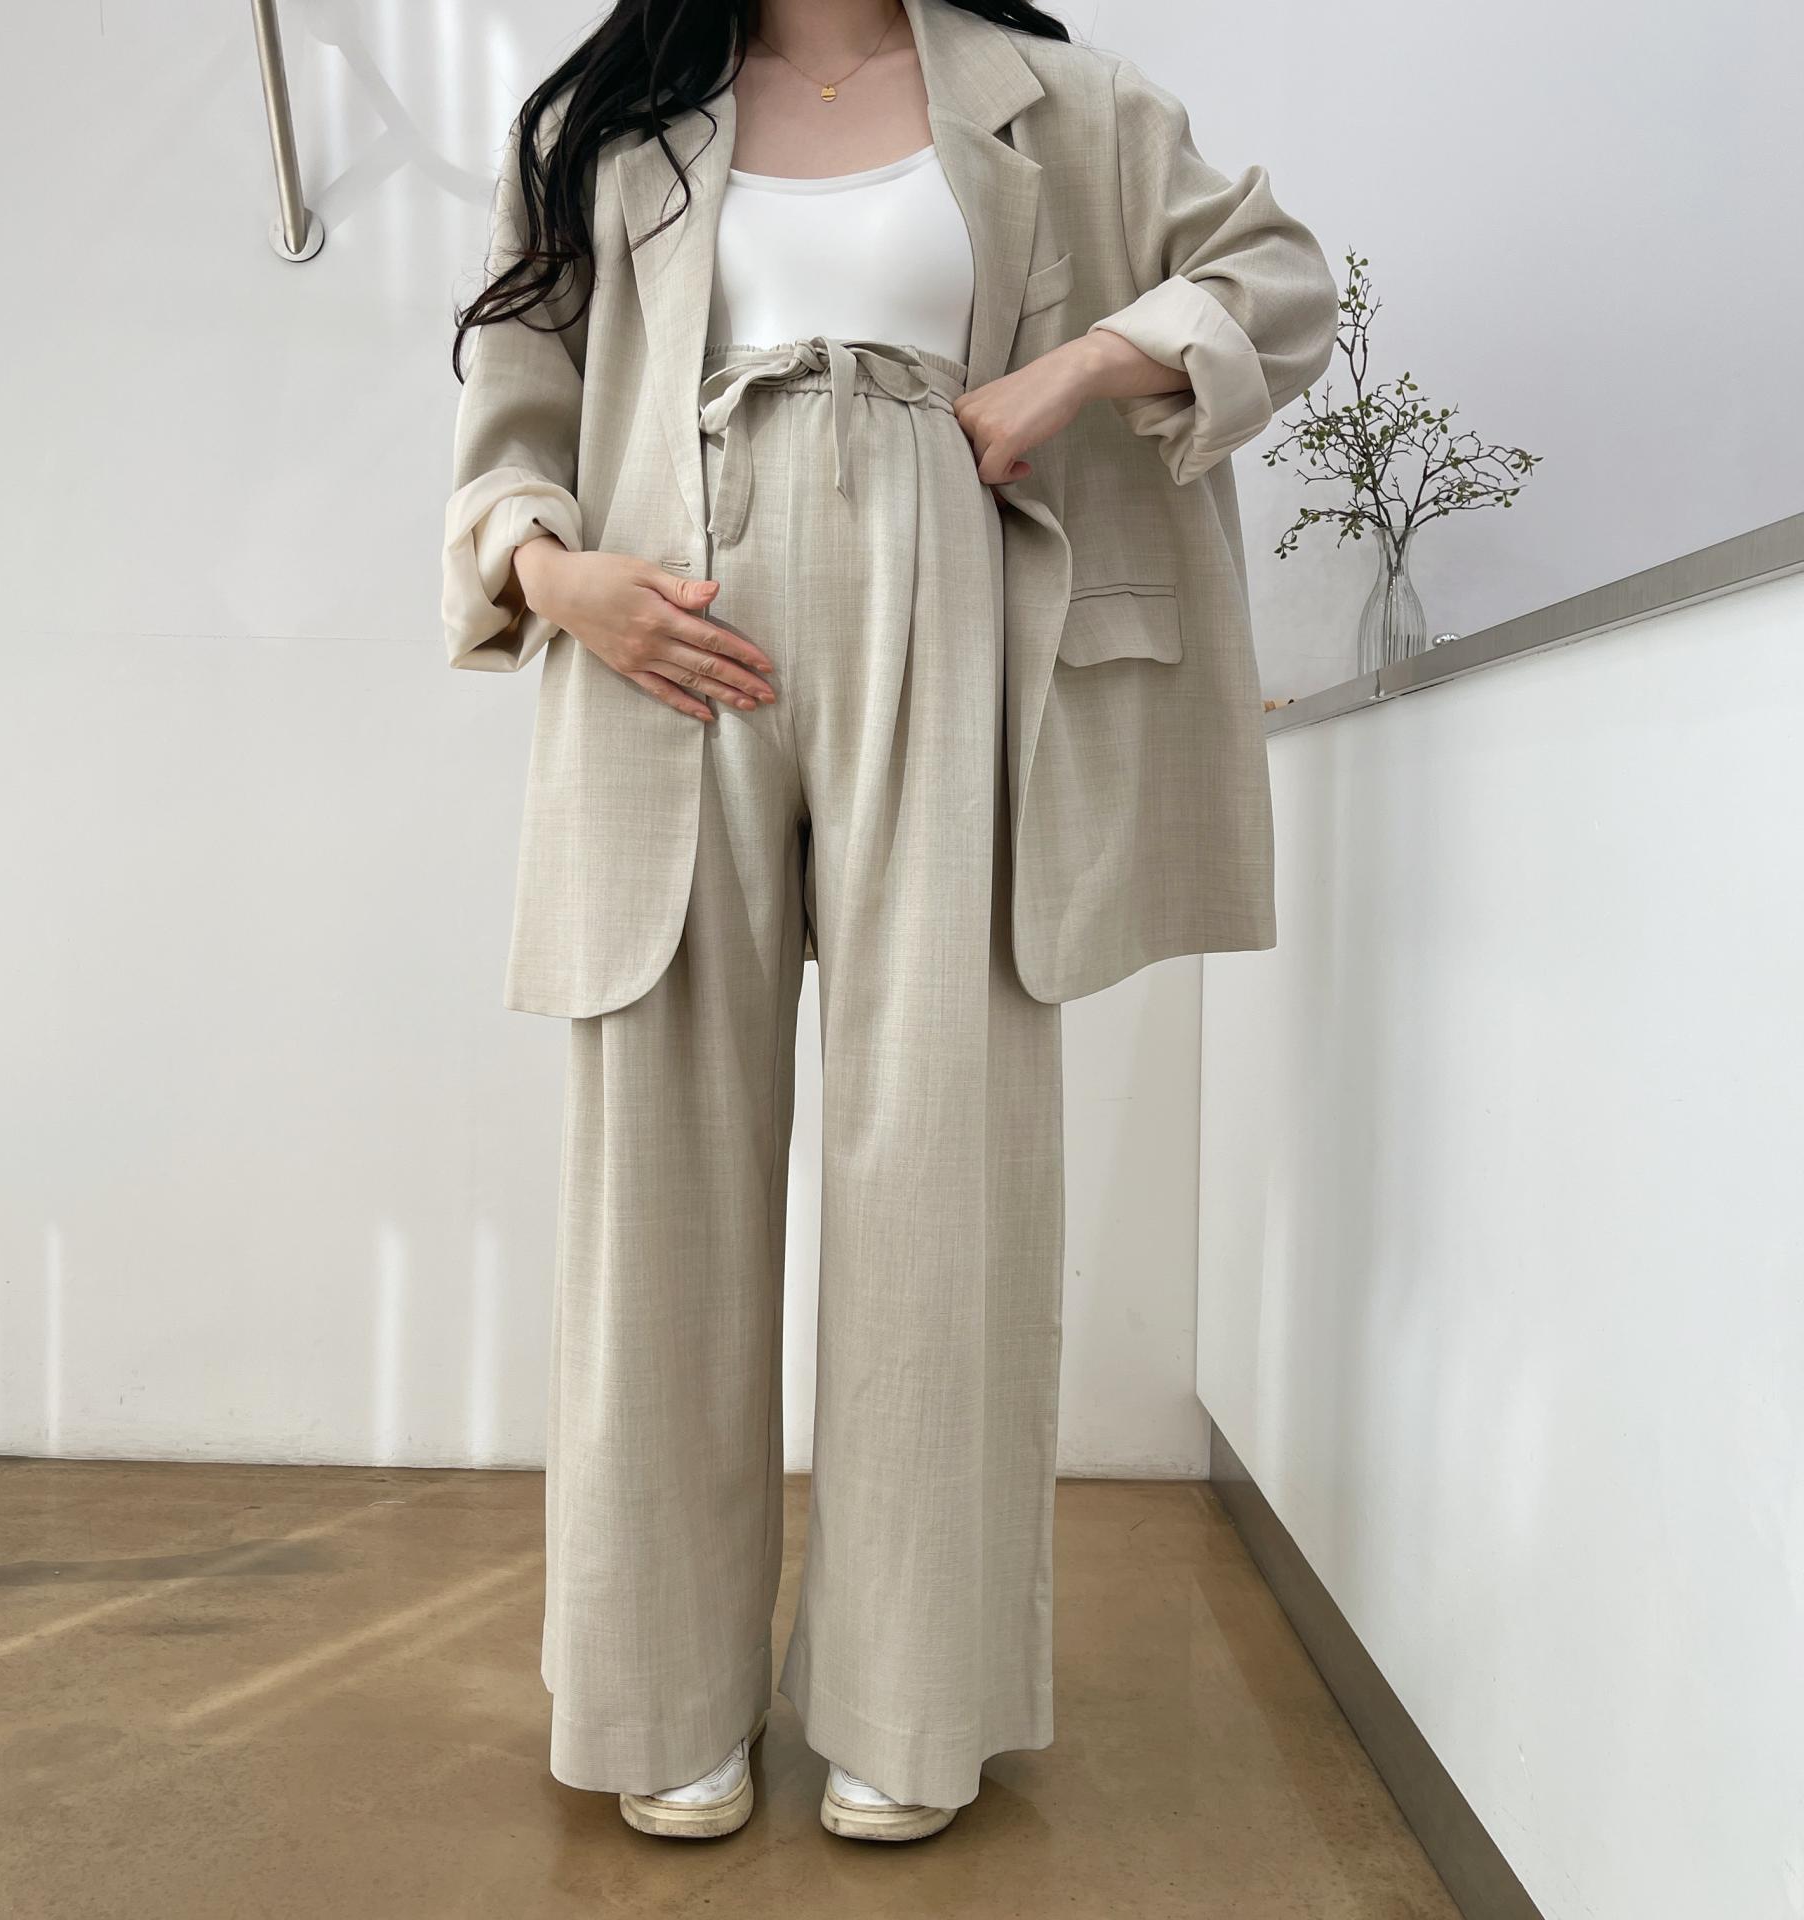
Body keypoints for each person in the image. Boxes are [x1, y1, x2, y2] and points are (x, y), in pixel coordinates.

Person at [442, 0, 1337, 1843]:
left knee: (943, 1172)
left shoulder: (1061, 102)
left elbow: (1273, 281)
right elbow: (512, 412)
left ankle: (909, 1699)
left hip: (958, 622)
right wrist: (557, 577)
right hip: (667, 640)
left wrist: (1075, 366)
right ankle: (660, 1692)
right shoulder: (620, 118)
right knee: (658, 1183)